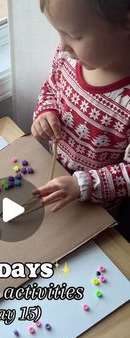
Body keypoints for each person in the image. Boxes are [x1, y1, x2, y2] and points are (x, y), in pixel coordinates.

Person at [31, 0, 130, 241]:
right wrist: (46, 113)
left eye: (74, 35)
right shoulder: (68, 58)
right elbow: (52, 88)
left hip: (96, 205)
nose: (62, 45)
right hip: (53, 174)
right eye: (59, 32)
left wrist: (81, 186)